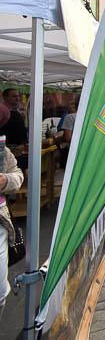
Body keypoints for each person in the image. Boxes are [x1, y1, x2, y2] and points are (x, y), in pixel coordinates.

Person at [1, 103, 24, 321]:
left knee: (0, 292)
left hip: (0, 222)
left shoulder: (2, 150)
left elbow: (16, 174)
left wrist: (5, 180)